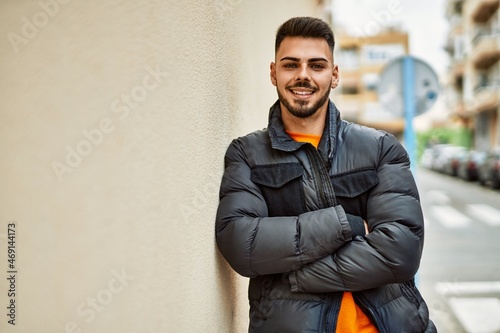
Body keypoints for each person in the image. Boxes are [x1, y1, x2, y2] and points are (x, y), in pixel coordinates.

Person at [215, 16, 436, 333]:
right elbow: (242, 244)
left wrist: (295, 275)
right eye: (291, 65)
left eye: (316, 65)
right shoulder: (247, 154)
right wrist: (348, 224)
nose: (302, 75)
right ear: (273, 72)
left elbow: (400, 250)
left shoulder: (379, 148)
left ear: (334, 76)